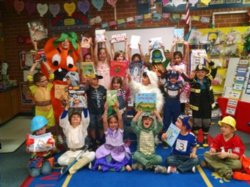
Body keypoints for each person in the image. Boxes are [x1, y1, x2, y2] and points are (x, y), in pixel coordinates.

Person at [181, 61, 217, 147]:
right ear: (196, 73)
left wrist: (210, 63)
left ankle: (205, 139)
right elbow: (186, 79)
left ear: (205, 73)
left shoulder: (208, 80)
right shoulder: (193, 81)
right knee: (196, 122)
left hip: (207, 105)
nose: (200, 74)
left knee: (206, 122)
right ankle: (195, 139)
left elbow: (214, 70)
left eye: (202, 72)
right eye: (198, 72)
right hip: (196, 105)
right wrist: (181, 72)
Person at [57, 103, 95, 174]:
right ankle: (82, 163)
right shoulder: (67, 128)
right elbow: (62, 121)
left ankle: (73, 167)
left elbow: (86, 119)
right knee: (59, 160)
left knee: (93, 154)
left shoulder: (82, 127)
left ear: (80, 120)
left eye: (78, 117)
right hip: (70, 152)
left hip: (81, 152)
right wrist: (66, 109)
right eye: (73, 117)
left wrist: (84, 106)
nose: (75, 118)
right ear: (70, 120)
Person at [92, 107, 132, 172]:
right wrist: (106, 109)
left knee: (124, 157)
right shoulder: (107, 131)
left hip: (119, 151)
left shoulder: (120, 130)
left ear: (118, 123)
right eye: (111, 123)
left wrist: (116, 108)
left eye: (115, 122)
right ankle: (105, 165)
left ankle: (125, 165)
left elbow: (120, 119)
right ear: (108, 124)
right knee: (104, 158)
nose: (113, 124)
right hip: (109, 151)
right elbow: (104, 121)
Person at [27, 60, 55, 129]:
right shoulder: (34, 88)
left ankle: (50, 138)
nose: (46, 81)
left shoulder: (48, 86)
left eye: (46, 79)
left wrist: (45, 62)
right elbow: (29, 77)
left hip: (49, 110)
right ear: (37, 83)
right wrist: (35, 64)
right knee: (40, 127)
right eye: (43, 81)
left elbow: (51, 75)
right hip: (39, 111)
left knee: (50, 126)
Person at [161, 70, 184, 148]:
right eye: (171, 77)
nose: (173, 79)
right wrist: (165, 72)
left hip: (176, 105)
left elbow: (187, 81)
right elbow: (162, 78)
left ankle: (173, 139)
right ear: (168, 78)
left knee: (176, 122)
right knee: (166, 122)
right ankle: (165, 139)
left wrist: (181, 73)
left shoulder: (180, 84)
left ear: (177, 78)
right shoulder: (166, 84)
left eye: (174, 77)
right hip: (167, 105)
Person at [167, 41, 190, 114]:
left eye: (178, 58)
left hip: (183, 84)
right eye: (175, 58)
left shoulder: (184, 63)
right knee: (175, 99)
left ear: (181, 58)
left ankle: (182, 114)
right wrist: (173, 46)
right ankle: (175, 114)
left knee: (182, 100)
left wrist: (187, 46)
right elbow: (170, 56)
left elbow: (186, 54)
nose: (177, 59)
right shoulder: (172, 65)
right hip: (175, 85)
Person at [86, 74, 107, 150]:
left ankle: (101, 140)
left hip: (101, 111)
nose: (96, 80)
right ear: (91, 80)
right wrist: (87, 82)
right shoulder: (88, 89)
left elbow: (107, 98)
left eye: (97, 79)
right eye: (94, 79)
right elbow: (83, 90)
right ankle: (94, 141)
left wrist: (105, 108)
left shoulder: (103, 89)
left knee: (101, 126)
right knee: (92, 127)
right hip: (91, 111)